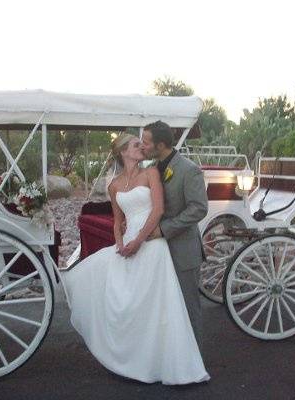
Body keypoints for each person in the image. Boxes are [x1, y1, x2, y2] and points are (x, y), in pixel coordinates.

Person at [61, 133, 209, 385]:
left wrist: (139, 240)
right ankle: (130, 359)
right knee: (125, 303)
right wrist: (120, 244)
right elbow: (117, 221)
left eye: (142, 143)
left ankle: (168, 363)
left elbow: (159, 210)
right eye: (135, 145)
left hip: (152, 243)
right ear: (123, 152)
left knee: (156, 305)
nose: (141, 147)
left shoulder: (151, 173)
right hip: (128, 243)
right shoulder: (114, 185)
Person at [141, 121, 208, 349]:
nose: (143, 145)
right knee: (162, 305)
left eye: (146, 141)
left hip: (183, 251)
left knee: (188, 307)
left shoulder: (189, 170)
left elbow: (198, 208)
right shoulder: (150, 168)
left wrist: (164, 229)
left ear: (160, 145)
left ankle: (193, 360)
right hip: (156, 251)